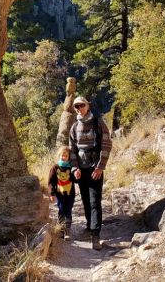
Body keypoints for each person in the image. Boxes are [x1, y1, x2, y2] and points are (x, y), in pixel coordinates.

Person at [68, 96, 112, 251]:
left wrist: (100, 167)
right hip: (81, 169)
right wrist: (75, 168)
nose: (79, 108)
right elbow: (72, 150)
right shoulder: (74, 127)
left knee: (95, 201)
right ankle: (89, 226)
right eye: (76, 106)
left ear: (88, 106)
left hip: (95, 168)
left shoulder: (98, 123)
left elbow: (106, 145)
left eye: (82, 105)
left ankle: (95, 235)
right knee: (86, 200)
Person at [48, 146, 76, 240]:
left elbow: (75, 180)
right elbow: (50, 182)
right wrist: (52, 193)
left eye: (66, 156)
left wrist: (78, 176)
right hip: (60, 194)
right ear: (59, 155)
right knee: (61, 210)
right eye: (62, 155)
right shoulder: (55, 167)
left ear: (69, 157)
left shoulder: (71, 167)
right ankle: (61, 230)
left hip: (70, 194)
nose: (64, 157)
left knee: (68, 210)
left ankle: (67, 230)